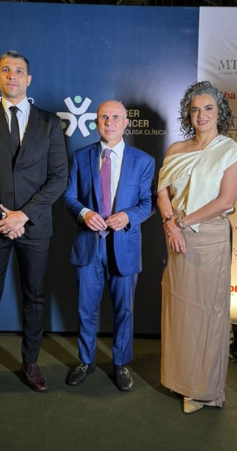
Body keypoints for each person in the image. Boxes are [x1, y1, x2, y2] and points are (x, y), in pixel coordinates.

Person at [0, 51, 68, 394]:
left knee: (34, 296)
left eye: (19, 71)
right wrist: (0, 216)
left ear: (28, 79)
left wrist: (23, 215)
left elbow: (58, 178)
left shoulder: (49, 123)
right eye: (6, 70)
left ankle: (31, 362)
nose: (12, 75)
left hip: (34, 225)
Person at [157, 81, 237, 413]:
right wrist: (171, 226)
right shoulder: (176, 149)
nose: (201, 115)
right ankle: (178, 379)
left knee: (206, 314)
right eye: (195, 109)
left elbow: (225, 201)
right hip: (175, 236)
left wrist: (181, 222)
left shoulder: (232, 152)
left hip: (209, 238)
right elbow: (162, 193)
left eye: (208, 108)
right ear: (188, 115)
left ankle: (203, 390)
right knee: (180, 311)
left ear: (219, 112)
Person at [64, 100, 155, 392]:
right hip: (89, 245)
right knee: (85, 309)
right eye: (104, 117)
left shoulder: (143, 161)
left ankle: (121, 364)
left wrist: (127, 216)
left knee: (124, 310)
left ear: (126, 123)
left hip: (123, 246)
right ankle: (86, 361)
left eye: (116, 117)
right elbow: (69, 197)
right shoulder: (80, 156)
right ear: (96, 122)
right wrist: (84, 213)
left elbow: (148, 203)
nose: (110, 122)